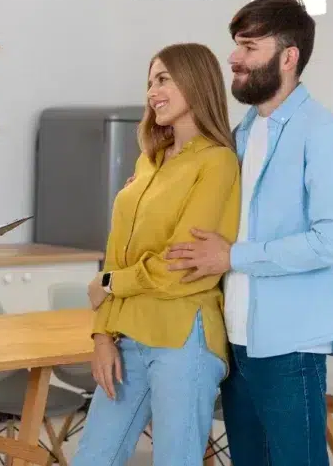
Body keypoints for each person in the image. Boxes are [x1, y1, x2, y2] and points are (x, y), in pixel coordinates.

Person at [166, 0, 333, 466]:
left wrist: (233, 256)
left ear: (288, 57)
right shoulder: (243, 133)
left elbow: (331, 240)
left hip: (291, 345)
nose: (234, 57)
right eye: (236, 45)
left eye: (250, 47)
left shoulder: (325, 134)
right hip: (236, 340)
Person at [73, 42, 241, 466]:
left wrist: (110, 285)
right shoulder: (149, 162)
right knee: (93, 457)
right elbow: (117, 254)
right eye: (150, 82)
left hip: (184, 339)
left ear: (195, 82)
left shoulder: (217, 162)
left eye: (163, 79)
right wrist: (102, 335)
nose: (152, 92)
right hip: (127, 337)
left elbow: (182, 265)